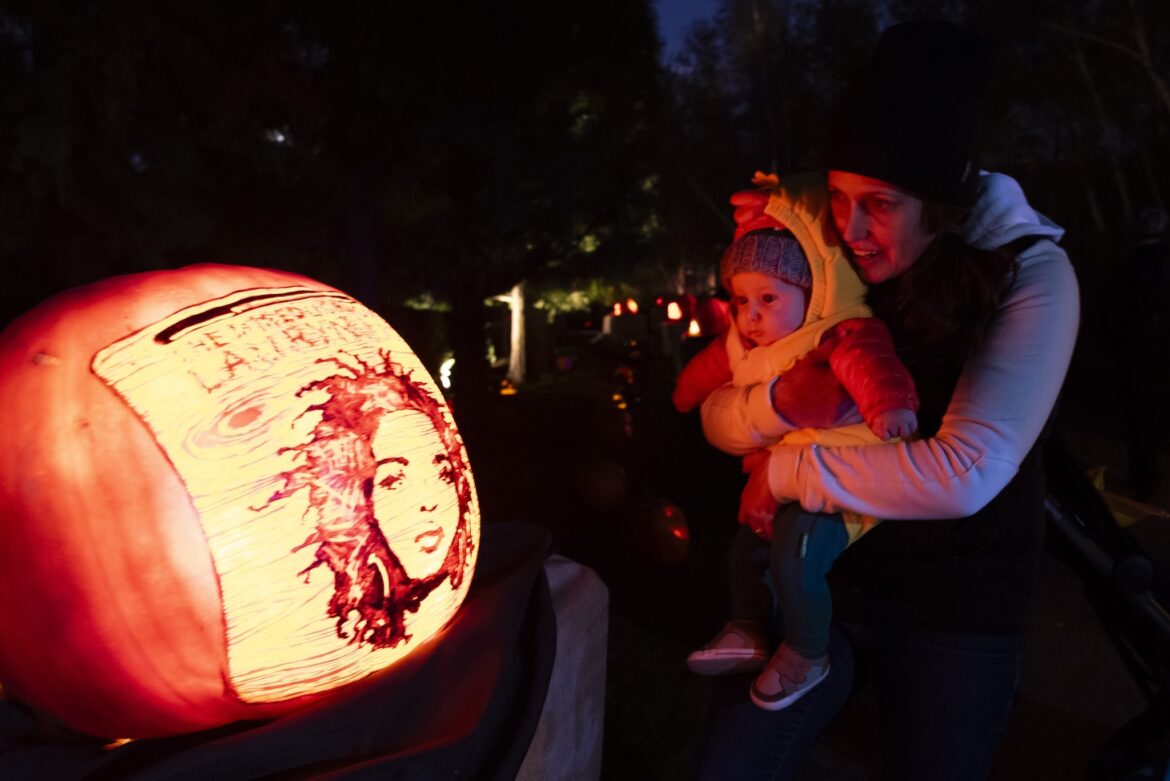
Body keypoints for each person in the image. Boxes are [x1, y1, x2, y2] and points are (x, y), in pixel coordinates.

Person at [693, 19, 1079, 780]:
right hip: (820, 582)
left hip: (957, 607)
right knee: (730, 765)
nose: (853, 230)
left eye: (881, 203)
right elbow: (720, 417)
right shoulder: (821, 261)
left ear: (941, 200)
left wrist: (785, 471)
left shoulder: (1031, 274)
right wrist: (779, 401)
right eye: (838, 198)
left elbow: (964, 472)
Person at [671, 175, 918, 712]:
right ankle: (748, 627)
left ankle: (808, 652)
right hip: (785, 479)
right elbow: (714, 365)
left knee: (795, 556)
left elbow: (872, 365)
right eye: (741, 300)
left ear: (812, 293)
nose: (751, 314)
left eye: (768, 298)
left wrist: (889, 406)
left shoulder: (839, 333)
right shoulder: (748, 342)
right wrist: (686, 391)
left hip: (840, 481)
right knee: (744, 549)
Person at [1105, 205, 1170, 500]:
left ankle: (1145, 478)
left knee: (1140, 415)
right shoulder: (1153, 265)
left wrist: (1112, 346)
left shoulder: (1125, 267)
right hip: (1155, 352)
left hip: (1138, 355)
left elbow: (1113, 315)